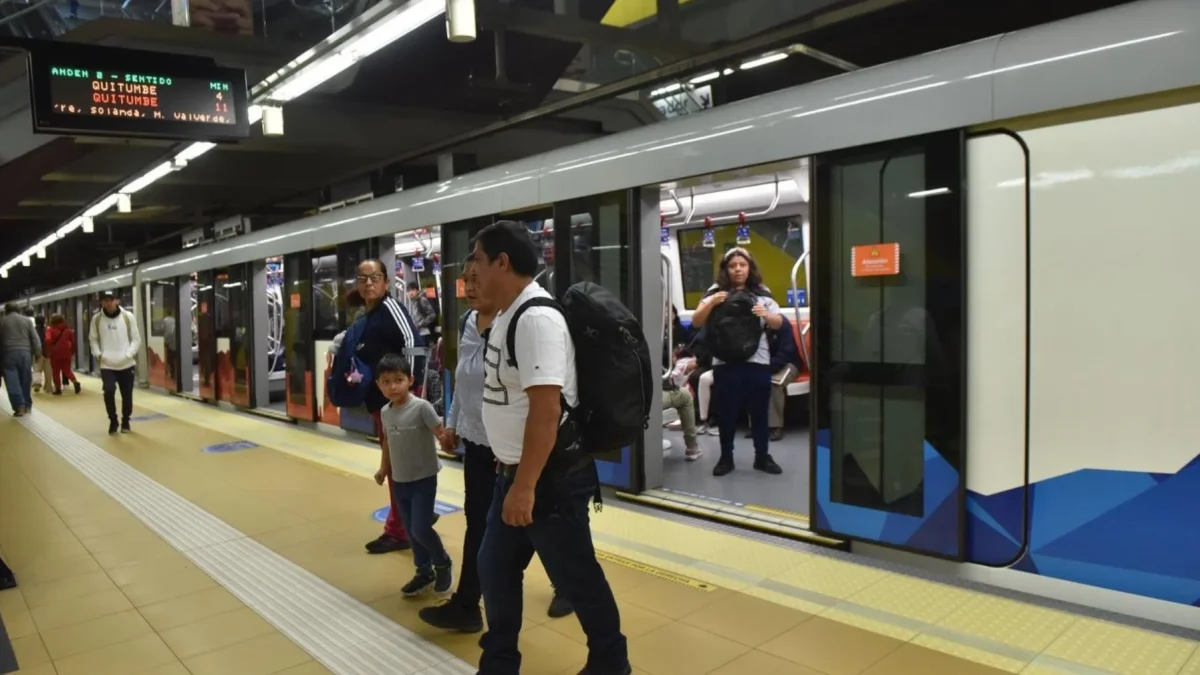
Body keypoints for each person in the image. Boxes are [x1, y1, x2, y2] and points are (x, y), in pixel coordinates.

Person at [472, 220, 630, 675]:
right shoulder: (508, 313)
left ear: (502, 262)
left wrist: (525, 487)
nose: (474, 273)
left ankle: (611, 662)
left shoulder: (536, 318)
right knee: (495, 569)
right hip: (518, 474)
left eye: (479, 262)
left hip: (548, 479)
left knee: (577, 576)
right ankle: (498, 663)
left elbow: (546, 411)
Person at [419, 256, 572, 634]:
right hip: (478, 443)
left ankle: (567, 586)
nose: (470, 287)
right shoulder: (469, 323)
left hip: (513, 449)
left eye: (477, 278)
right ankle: (468, 605)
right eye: (465, 280)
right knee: (481, 524)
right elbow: (467, 381)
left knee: (529, 526)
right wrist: (453, 424)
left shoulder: (519, 323)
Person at [690, 247, 784, 477]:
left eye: (743, 265)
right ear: (726, 269)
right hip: (724, 361)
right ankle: (726, 457)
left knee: (759, 412)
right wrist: (711, 303)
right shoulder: (714, 292)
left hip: (757, 359)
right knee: (726, 412)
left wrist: (765, 314)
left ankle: (762, 456)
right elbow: (695, 321)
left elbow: (778, 323)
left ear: (749, 267)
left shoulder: (763, 293)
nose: (738, 269)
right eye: (733, 266)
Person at [351, 261, 422, 555]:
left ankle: (399, 529)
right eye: (363, 278)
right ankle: (411, 517)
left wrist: (408, 396)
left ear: (386, 282)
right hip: (382, 403)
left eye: (375, 278)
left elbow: (414, 346)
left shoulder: (391, 309)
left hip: (395, 403)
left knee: (399, 467)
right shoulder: (367, 315)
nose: (369, 283)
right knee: (398, 466)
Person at [372, 354, 454, 596]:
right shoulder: (386, 412)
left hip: (424, 477)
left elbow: (440, 432)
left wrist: (447, 441)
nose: (392, 386)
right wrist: (384, 467)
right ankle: (423, 570)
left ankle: (442, 562)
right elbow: (387, 442)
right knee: (410, 529)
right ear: (378, 385)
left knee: (420, 528)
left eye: (398, 380)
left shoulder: (421, 407)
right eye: (386, 382)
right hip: (400, 480)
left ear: (411, 380)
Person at [89, 291, 141, 434]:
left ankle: (126, 421)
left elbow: (136, 338)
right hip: (107, 364)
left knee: (127, 395)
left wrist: (129, 355)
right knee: (109, 391)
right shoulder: (97, 319)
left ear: (117, 301)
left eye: (111, 300)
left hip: (127, 364)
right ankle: (113, 420)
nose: (108, 303)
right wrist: (99, 355)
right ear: (101, 302)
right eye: (105, 300)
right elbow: (92, 339)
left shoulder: (127, 317)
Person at [0, 302, 42, 416]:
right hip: (25, 354)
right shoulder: (27, 321)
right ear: (18, 310)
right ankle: (27, 405)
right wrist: (38, 353)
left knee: (12, 380)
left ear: (6, 311)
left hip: (8, 354)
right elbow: (35, 338)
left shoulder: (2, 321)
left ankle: (19, 406)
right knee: (25, 379)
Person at [47, 314, 81, 395]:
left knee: (56, 372)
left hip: (55, 353)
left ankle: (58, 389)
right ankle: (75, 382)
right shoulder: (68, 330)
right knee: (67, 369)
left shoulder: (50, 330)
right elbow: (73, 343)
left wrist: (49, 349)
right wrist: (72, 352)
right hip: (66, 352)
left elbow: (47, 340)